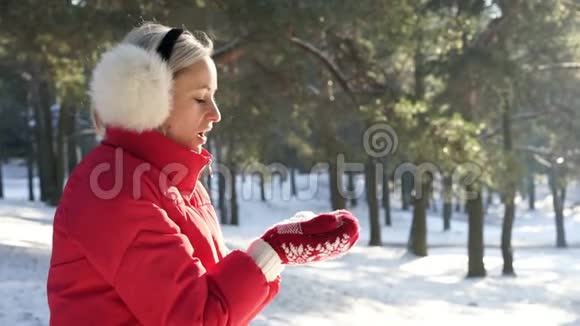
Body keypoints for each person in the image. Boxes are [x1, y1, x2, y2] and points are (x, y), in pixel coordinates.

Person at [47, 22, 360, 326]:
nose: (216, 114)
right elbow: (194, 318)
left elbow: (214, 304)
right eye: (200, 98)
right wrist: (271, 252)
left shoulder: (182, 187)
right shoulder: (112, 189)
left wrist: (272, 253)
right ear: (144, 100)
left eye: (214, 97)